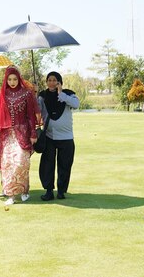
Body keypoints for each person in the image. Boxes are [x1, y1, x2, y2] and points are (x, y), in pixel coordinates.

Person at [0, 66, 40, 206]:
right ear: (6, 80)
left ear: (19, 79)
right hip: (6, 136)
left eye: (15, 79)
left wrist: (33, 133)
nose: (12, 82)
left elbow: (31, 116)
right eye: (9, 79)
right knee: (7, 164)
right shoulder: (3, 95)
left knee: (22, 162)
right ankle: (10, 194)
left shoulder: (27, 94)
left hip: (23, 133)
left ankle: (24, 190)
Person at [37, 71, 80, 201]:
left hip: (66, 137)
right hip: (49, 136)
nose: (51, 82)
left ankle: (61, 191)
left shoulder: (68, 94)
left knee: (65, 165)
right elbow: (35, 109)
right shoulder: (42, 96)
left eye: (54, 80)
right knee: (47, 165)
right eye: (49, 80)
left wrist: (61, 94)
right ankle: (49, 191)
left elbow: (76, 104)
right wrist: (34, 93)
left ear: (59, 82)